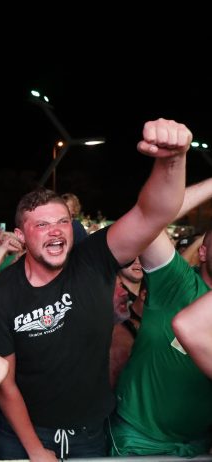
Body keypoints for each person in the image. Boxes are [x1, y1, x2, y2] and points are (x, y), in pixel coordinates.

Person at [0, 118, 192, 460]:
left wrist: (173, 160)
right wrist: (34, 449)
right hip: (21, 436)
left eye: (62, 221)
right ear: (20, 236)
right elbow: (5, 383)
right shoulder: (0, 294)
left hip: (89, 435)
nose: (56, 231)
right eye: (42, 225)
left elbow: (154, 214)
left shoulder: (94, 258)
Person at [111, 177, 212, 457]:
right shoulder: (177, 281)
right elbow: (148, 221)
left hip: (198, 443)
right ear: (202, 252)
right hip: (140, 439)